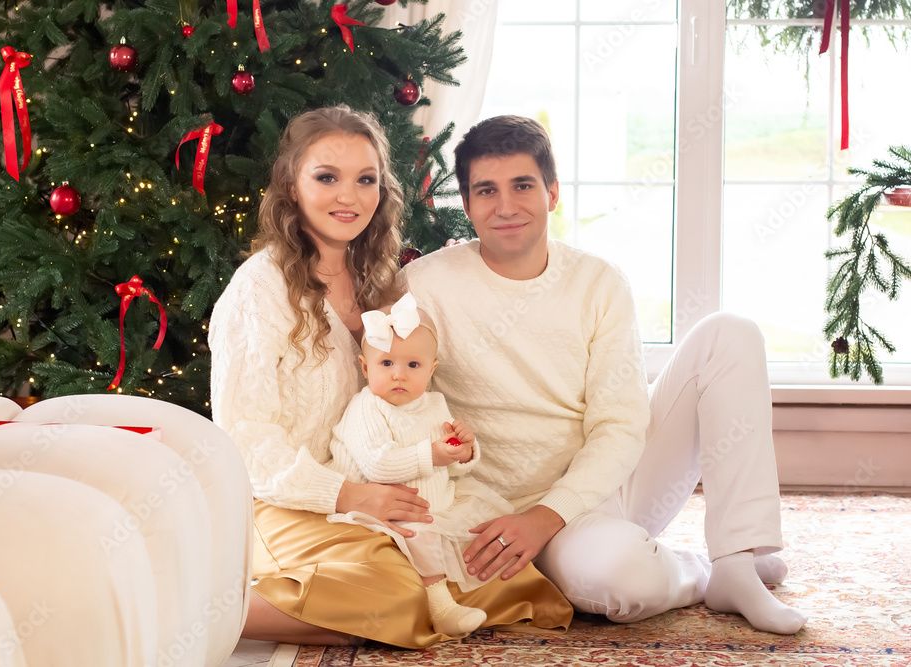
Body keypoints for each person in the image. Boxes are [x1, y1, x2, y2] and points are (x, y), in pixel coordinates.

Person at [402, 115, 808, 635]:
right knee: (623, 584)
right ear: (467, 201)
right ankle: (705, 572)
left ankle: (736, 557)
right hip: (509, 515)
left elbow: (619, 425)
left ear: (551, 193)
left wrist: (551, 510)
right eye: (486, 190)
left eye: (522, 185)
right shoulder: (422, 287)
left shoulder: (598, 282)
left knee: (730, 332)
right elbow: (389, 389)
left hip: (605, 487)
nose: (505, 206)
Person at [208, 105, 573, 648]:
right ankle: (201, 610)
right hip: (282, 498)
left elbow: (402, 393)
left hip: (371, 490)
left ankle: (341, 588)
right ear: (291, 184)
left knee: (489, 575)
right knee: (403, 596)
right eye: (326, 177)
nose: (347, 197)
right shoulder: (258, 291)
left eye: (365, 180)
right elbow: (248, 443)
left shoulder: (377, 277)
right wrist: (349, 495)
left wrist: (442, 442)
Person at [327, 292, 515, 637]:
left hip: (435, 501)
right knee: (421, 533)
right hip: (383, 506)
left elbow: (451, 465)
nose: (399, 375)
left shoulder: (433, 403)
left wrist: (463, 449)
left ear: (431, 370)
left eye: (412, 366)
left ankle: (474, 593)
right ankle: (441, 606)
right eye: (386, 364)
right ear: (365, 366)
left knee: (485, 528)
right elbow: (378, 465)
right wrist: (433, 454)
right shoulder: (367, 406)